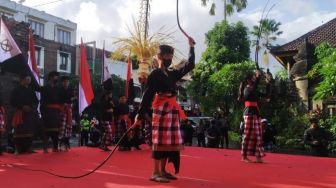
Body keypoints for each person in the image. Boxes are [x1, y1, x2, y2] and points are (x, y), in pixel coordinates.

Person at [134, 37, 195, 183]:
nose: (169, 58)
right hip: (161, 109)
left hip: (172, 109)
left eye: (171, 55)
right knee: (160, 141)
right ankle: (155, 172)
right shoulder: (155, 74)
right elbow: (148, 94)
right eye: (167, 55)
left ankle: (163, 170)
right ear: (160, 56)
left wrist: (191, 47)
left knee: (169, 142)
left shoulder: (172, 73)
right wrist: (140, 113)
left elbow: (190, 65)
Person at [238, 70, 268, 163]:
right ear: (248, 80)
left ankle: (258, 157)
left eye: (255, 77)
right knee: (247, 135)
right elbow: (253, 88)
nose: (254, 79)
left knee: (258, 135)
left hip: (255, 113)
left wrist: (269, 84)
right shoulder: (247, 89)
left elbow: (266, 95)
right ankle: (244, 156)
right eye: (253, 77)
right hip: (249, 113)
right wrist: (258, 78)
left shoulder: (253, 89)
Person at [10, 73, 39, 154]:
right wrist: (22, 106)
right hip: (20, 112)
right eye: (27, 79)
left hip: (29, 113)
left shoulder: (31, 90)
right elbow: (12, 102)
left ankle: (28, 148)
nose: (29, 81)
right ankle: (17, 149)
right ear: (22, 80)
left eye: (29, 79)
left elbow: (36, 101)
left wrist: (33, 106)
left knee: (29, 130)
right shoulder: (16, 90)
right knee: (19, 131)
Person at [41, 71, 62, 153]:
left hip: (56, 111)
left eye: (57, 76)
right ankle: (45, 148)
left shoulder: (58, 89)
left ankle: (55, 147)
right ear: (50, 78)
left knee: (56, 130)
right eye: (55, 76)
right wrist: (43, 112)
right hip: (48, 111)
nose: (56, 78)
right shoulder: (45, 88)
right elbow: (42, 102)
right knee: (47, 130)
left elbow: (60, 100)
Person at [58, 76, 75, 151]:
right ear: (62, 82)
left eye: (67, 82)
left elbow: (74, 98)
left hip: (69, 109)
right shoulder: (60, 90)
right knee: (62, 127)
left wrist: (72, 100)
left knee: (69, 126)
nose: (66, 83)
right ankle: (59, 143)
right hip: (62, 110)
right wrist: (65, 102)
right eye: (65, 82)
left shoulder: (70, 90)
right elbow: (58, 99)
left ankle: (66, 142)